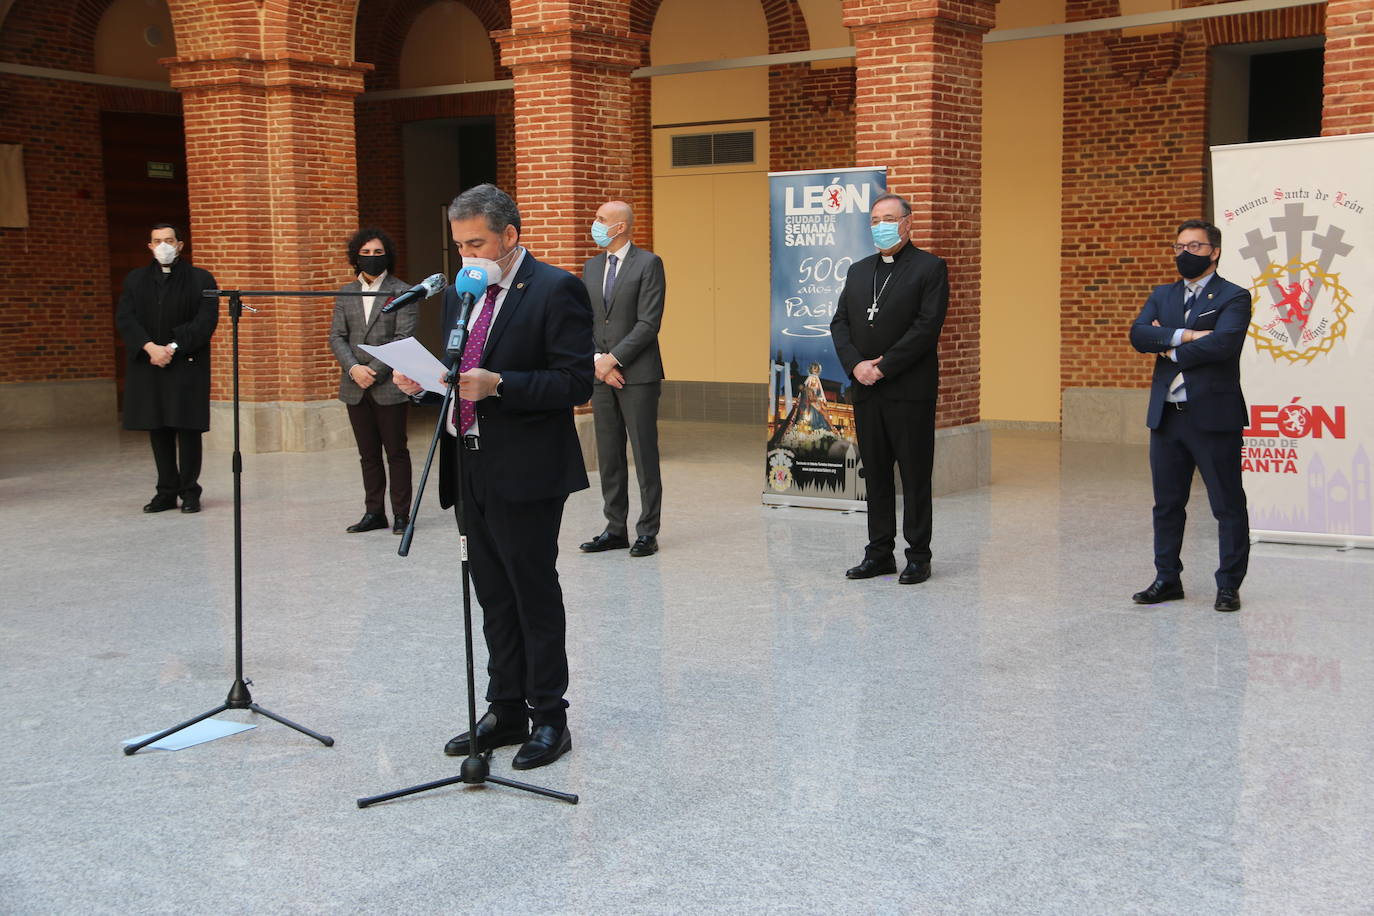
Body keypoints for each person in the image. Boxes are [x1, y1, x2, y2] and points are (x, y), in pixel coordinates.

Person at [394, 184, 594, 770]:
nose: (466, 257)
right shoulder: (464, 295)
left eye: (476, 243)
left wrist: (501, 383)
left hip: (527, 469)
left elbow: (574, 383)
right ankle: (504, 707)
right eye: (459, 247)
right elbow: (461, 376)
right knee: (491, 592)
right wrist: (427, 384)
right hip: (469, 462)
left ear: (509, 236)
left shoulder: (557, 289)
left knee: (531, 590)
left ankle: (549, 717)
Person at [1129, 219, 1251, 613]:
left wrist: (1169, 344)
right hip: (1167, 417)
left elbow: (1226, 344)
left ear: (1214, 251)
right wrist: (1192, 334)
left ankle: (1228, 585)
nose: (1185, 254)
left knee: (1226, 504)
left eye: (1195, 247)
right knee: (1166, 504)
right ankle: (1167, 579)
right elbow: (1138, 335)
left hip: (1213, 417)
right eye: (1179, 246)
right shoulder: (1162, 294)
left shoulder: (1234, 296)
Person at [830, 193, 948, 585]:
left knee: (914, 476)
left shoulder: (929, 268)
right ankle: (879, 552)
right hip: (866, 390)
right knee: (875, 476)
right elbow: (841, 323)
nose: (881, 225)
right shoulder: (860, 270)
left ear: (907, 223)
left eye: (889, 218)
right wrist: (856, 366)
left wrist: (884, 367)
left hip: (909, 390)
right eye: (875, 219)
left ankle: (918, 555)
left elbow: (926, 327)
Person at [577, 200, 667, 558]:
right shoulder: (591, 267)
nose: (595, 224)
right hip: (601, 374)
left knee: (644, 453)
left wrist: (614, 359)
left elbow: (648, 322)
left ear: (621, 227)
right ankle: (615, 528)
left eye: (601, 219)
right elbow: (584, 320)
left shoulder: (648, 264)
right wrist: (599, 361)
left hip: (639, 375)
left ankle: (647, 530)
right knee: (610, 455)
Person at [116, 223, 219, 514]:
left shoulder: (201, 279)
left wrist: (172, 347)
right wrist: (150, 347)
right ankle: (165, 491)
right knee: (157, 427)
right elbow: (126, 318)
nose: (163, 245)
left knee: (187, 428)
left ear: (180, 244)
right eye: (157, 241)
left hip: (185, 363)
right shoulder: (135, 280)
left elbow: (204, 321)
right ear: (149, 246)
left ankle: (190, 491)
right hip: (150, 363)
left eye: (169, 240)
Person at [328, 228, 415, 534]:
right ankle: (374, 512)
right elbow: (337, 336)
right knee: (368, 454)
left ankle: (402, 514)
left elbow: (403, 337)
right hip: (354, 384)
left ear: (388, 254)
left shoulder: (403, 291)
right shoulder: (346, 292)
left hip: (388, 384)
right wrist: (354, 368)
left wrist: (372, 370)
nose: (372, 258)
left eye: (378, 253)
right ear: (356, 256)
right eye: (365, 253)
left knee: (396, 451)